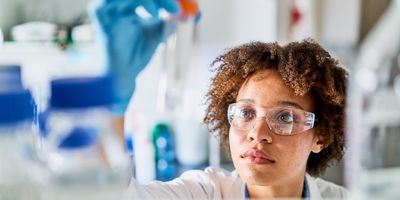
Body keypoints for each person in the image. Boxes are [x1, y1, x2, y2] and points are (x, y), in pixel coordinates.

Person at [91, 1, 348, 199]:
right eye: (246, 113)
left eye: (285, 117)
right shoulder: (206, 193)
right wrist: (110, 100)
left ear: (320, 136)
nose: (257, 134)